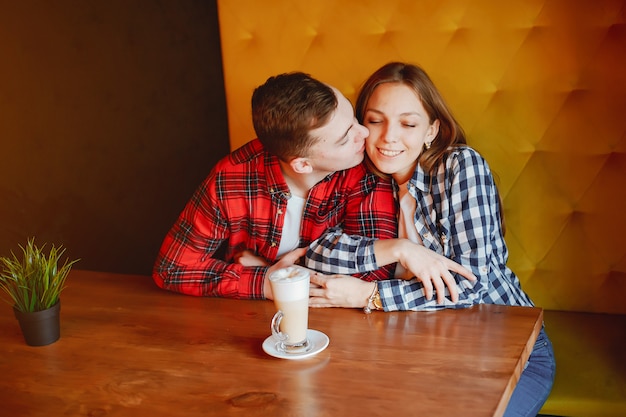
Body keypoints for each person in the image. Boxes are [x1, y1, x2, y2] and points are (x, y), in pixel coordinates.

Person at [306, 62, 555, 416]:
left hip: (508, 347)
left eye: (408, 124)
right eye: (376, 121)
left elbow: (472, 284)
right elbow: (317, 252)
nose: (389, 137)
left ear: (431, 131)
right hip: (416, 347)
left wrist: (369, 295)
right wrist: (397, 249)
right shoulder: (357, 177)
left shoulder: (459, 167)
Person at [152, 71, 403, 300]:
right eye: (345, 138)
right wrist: (265, 283)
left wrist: (270, 271)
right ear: (302, 165)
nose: (366, 134)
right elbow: (172, 268)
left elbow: (372, 276)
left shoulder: (367, 166)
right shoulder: (232, 178)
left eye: (354, 119)